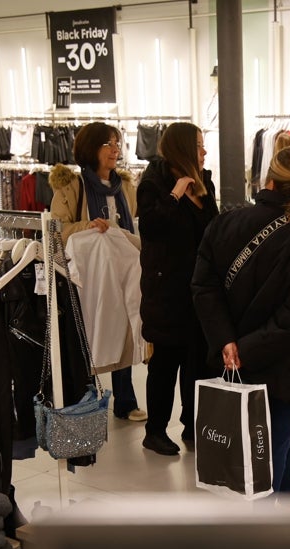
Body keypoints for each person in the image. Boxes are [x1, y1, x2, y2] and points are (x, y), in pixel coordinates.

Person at [192, 146, 290, 500]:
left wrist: (227, 341)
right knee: (272, 456)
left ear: (268, 179)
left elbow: (203, 287)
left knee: (255, 458)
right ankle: (271, 535)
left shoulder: (224, 223)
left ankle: (283, 505)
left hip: (232, 364)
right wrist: (245, 348)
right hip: (284, 370)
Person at [49, 121, 146, 422]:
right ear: (91, 148)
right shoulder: (71, 189)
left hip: (121, 271)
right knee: (91, 333)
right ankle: (90, 400)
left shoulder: (126, 187)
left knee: (124, 328)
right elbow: (55, 231)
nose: (115, 149)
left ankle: (125, 400)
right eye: (107, 144)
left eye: (117, 143)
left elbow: (133, 225)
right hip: (87, 277)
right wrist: (87, 227)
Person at [137, 121, 219, 456]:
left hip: (198, 291)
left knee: (197, 363)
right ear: (184, 148)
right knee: (165, 365)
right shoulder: (154, 181)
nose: (204, 151)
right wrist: (175, 193)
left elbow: (213, 230)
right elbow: (153, 228)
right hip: (166, 293)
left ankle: (193, 426)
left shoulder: (205, 183)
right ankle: (154, 431)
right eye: (199, 145)